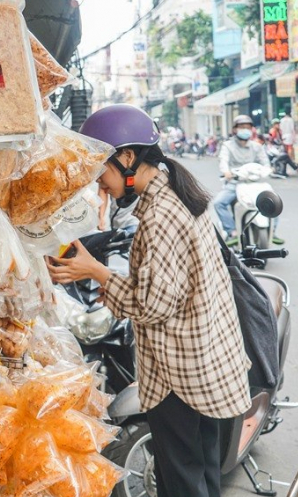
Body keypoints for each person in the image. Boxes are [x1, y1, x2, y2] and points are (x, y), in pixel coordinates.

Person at [45, 104, 251, 497]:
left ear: (126, 157)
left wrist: (96, 272)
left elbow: (155, 304)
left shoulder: (161, 215)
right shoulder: (179, 191)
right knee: (202, 471)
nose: (101, 186)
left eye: (101, 173)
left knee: (181, 481)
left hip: (180, 376)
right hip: (206, 364)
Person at [213, 115, 283, 245]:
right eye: (241, 127)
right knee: (219, 203)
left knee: (274, 200)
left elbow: (265, 162)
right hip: (235, 183)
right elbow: (223, 161)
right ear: (235, 130)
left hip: (256, 183)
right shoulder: (227, 146)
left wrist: (269, 169)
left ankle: (272, 230)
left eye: (247, 127)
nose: (245, 130)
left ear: (252, 129)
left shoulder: (257, 146)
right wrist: (226, 172)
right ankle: (232, 231)